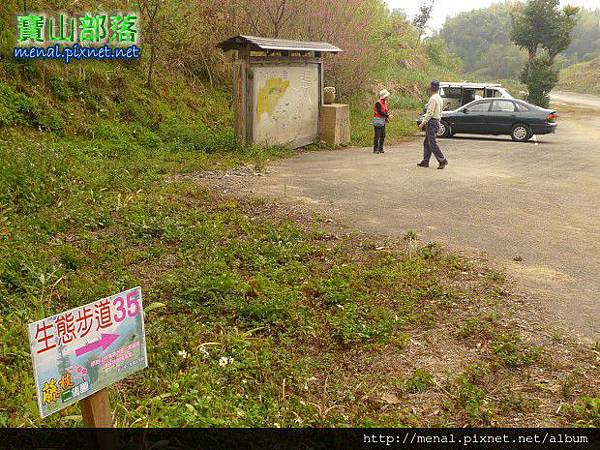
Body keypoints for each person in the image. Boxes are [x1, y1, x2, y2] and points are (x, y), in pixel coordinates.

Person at [418, 81, 448, 169]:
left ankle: (442, 160)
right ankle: (425, 161)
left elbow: (429, 113)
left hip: (432, 122)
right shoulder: (439, 98)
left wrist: (422, 123)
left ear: (431, 88)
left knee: (432, 143)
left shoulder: (433, 99)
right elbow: (440, 112)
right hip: (436, 120)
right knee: (427, 142)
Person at [372, 89, 390, 154]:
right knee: (377, 135)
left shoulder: (384, 102)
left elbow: (385, 111)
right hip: (378, 120)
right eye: (387, 96)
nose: (387, 97)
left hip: (382, 120)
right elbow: (380, 112)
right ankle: (375, 149)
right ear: (384, 96)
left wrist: (386, 118)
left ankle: (380, 148)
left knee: (383, 135)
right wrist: (388, 116)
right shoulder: (378, 103)